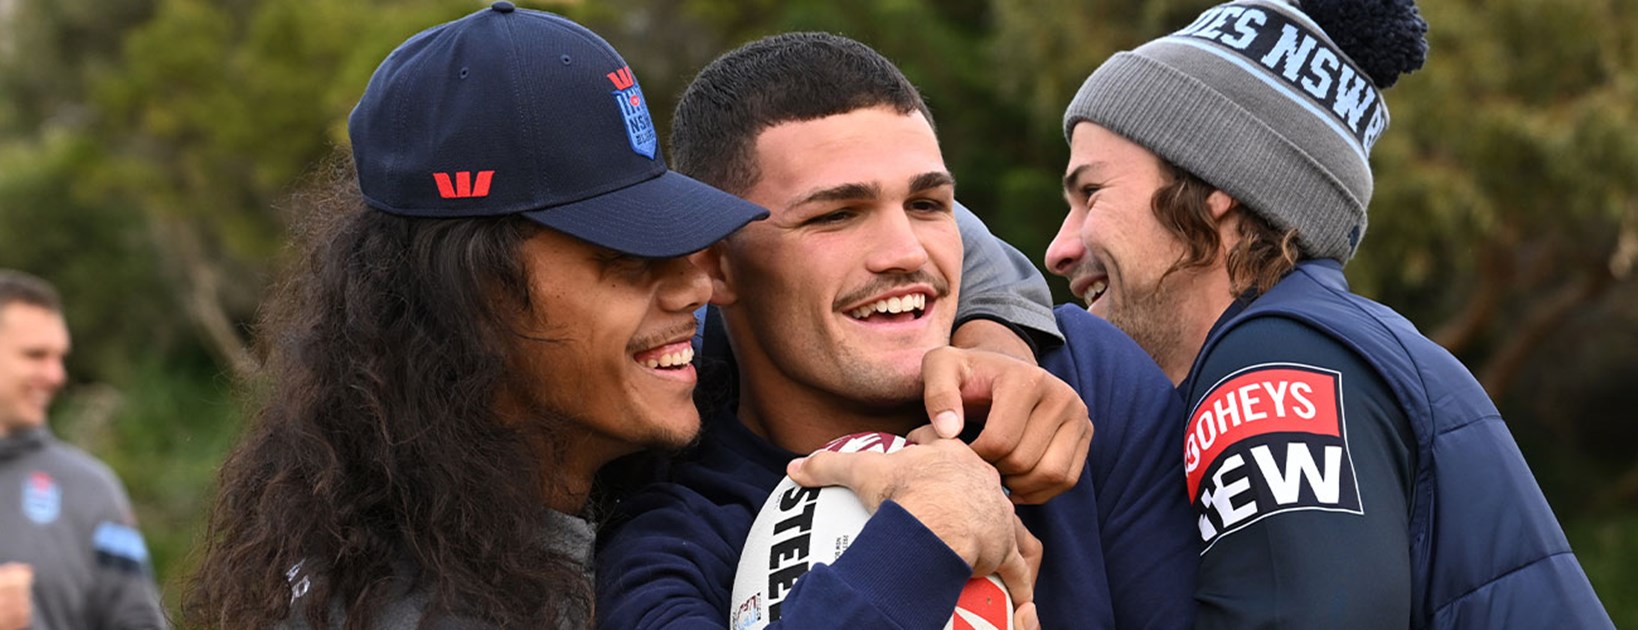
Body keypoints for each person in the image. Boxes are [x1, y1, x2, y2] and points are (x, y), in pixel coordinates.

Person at [183, 4, 1069, 628]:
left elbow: (924, 237)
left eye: (677, 235)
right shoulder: (412, 605)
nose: (692, 287)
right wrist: (923, 538)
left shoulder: (576, 434)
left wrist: (997, 342)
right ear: (474, 301)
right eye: (624, 260)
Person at [595, 32, 1198, 629]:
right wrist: (926, 536)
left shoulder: (1084, 381)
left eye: (927, 204)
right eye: (836, 215)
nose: (906, 252)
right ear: (716, 266)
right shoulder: (665, 542)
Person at [1045, 0, 1613, 626]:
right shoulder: (1318, 344)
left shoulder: (1270, 365)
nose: (1058, 249)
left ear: (1212, 191)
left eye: (1092, 192)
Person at [0, 269, 167, 630]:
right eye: (35, 355)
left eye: (59, 357)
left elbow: (140, 620)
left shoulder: (90, 489)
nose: (56, 375)